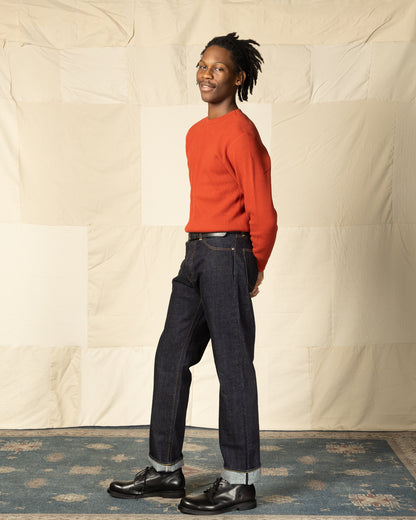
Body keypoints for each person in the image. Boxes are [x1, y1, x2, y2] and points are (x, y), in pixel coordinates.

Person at [108, 32, 277, 515]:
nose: (206, 74)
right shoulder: (196, 133)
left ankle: (240, 482)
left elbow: (264, 213)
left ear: (238, 78)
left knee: (233, 365)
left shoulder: (241, 133)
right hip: (196, 252)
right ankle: (165, 469)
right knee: (171, 356)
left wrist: (254, 265)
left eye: (218, 68)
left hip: (229, 253)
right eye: (202, 65)